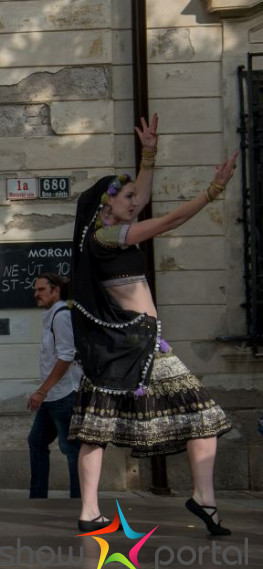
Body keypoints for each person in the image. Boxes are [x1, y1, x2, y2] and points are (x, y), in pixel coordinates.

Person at [69, 114, 236, 535]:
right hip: (124, 344)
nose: (135, 202)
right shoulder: (106, 238)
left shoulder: (117, 226)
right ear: (107, 205)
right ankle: (89, 510)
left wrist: (149, 154)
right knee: (97, 428)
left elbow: (142, 197)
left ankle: (204, 499)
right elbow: (168, 222)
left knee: (201, 416)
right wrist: (212, 192)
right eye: (127, 198)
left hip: (147, 342)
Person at [27, 274, 81, 499]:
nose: (36, 294)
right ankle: (38, 497)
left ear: (56, 290)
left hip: (65, 394)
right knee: (36, 441)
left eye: (41, 289)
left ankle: (81, 501)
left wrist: (42, 390)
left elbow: (66, 356)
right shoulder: (51, 316)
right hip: (53, 395)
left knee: (71, 449)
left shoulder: (61, 315)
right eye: (36, 290)